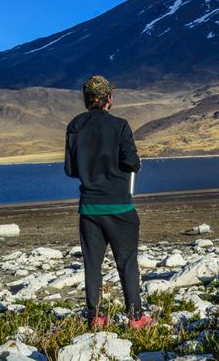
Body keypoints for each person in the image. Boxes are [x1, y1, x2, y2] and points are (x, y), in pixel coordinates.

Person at [64, 75, 151, 329]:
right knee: (127, 263)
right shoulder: (120, 126)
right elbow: (132, 163)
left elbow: (70, 170)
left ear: (87, 100)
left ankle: (96, 317)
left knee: (92, 264)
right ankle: (136, 318)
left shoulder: (74, 126)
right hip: (120, 207)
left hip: (89, 208)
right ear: (108, 99)